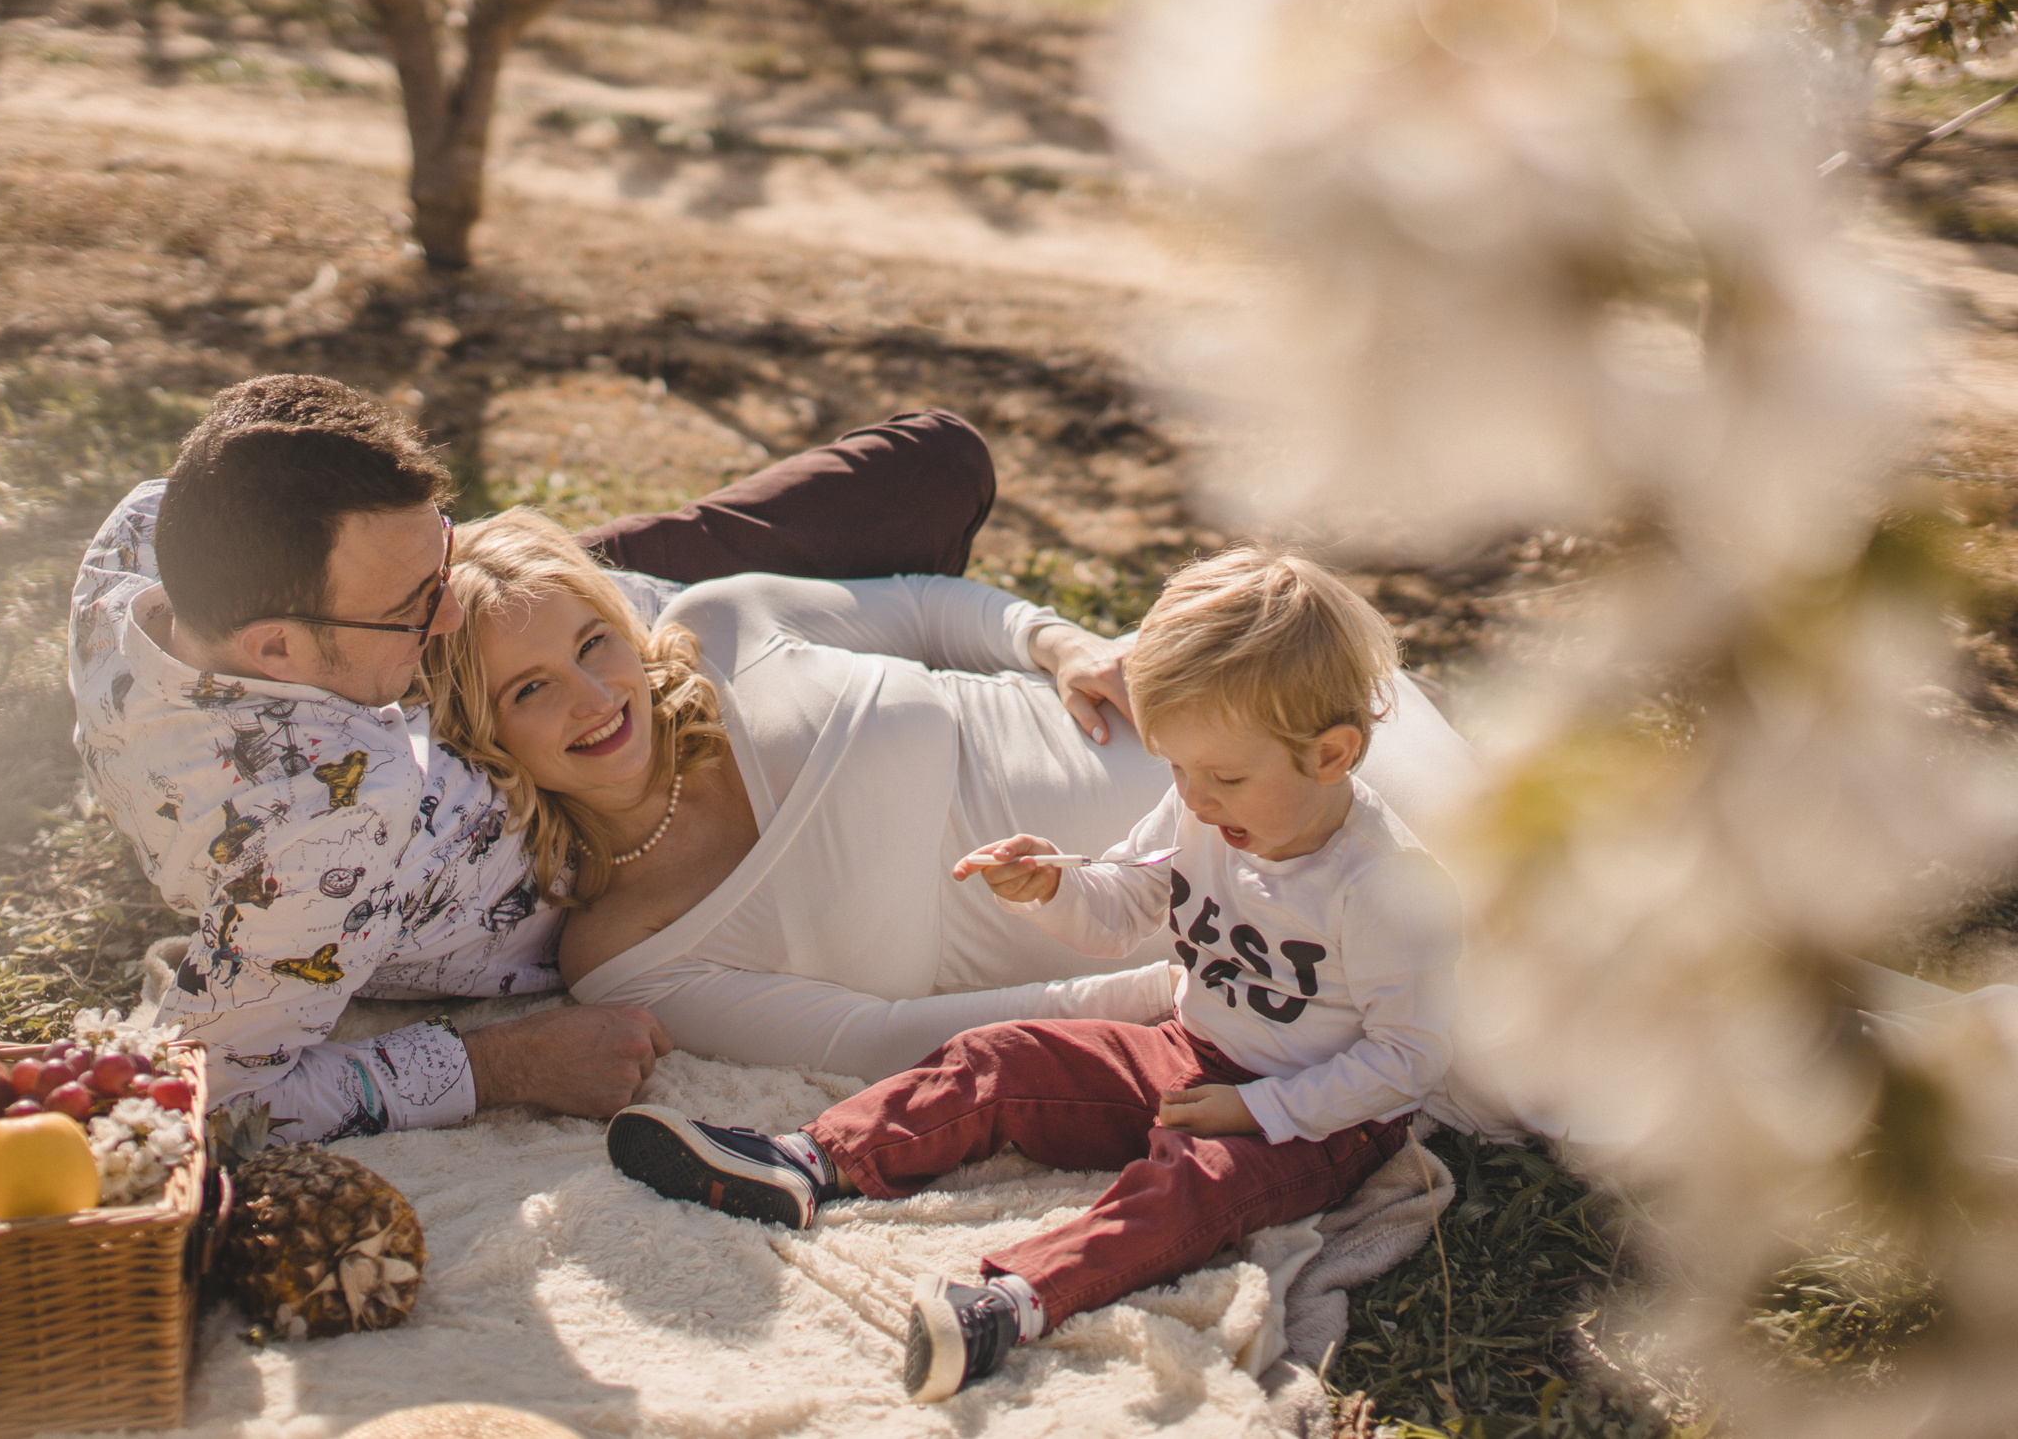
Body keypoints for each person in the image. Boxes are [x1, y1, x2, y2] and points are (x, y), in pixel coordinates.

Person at [599, 547, 1465, 1401]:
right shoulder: (1207, 811)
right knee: (1004, 1055)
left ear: (1331, 754)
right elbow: (1128, 900)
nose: (1195, 797)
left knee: (1191, 1189)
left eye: (1224, 776)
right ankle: (806, 1161)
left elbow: (1405, 1062)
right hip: (1189, 1049)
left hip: (1314, 1116)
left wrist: (1260, 1109)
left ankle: (1011, 1299)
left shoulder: (1387, 889)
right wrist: (1053, 886)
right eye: (1178, 770)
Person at [67, 373, 999, 1145]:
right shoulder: (317, 837)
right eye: (413, 609)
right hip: (642, 800)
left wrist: (499, 585)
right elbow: (202, 1094)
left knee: (937, 465)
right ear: (274, 650)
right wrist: (497, 1063)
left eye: (438, 554)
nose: (448, 616)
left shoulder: (148, 537)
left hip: (622, 631)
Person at [419, 514, 1481, 1083]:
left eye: (593, 642)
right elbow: (874, 1041)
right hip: (1216, 950)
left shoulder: (727, 627)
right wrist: (1176, 990)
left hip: (1208, 758)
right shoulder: (622, 954)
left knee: (1510, 878)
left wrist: (1052, 640)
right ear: (484, 738)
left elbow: (929, 611)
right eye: (529, 689)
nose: (593, 696)